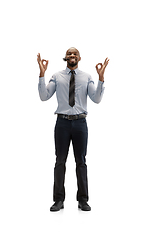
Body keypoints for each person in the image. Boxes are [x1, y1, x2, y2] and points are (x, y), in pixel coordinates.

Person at [37, 47, 109, 211]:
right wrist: (42, 74)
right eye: (69, 53)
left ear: (79, 58)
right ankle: (58, 200)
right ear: (65, 57)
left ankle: (83, 200)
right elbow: (44, 96)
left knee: (81, 162)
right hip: (62, 123)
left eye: (74, 53)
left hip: (80, 124)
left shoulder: (86, 77)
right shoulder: (56, 76)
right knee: (60, 161)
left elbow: (96, 99)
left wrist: (101, 78)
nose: (72, 55)